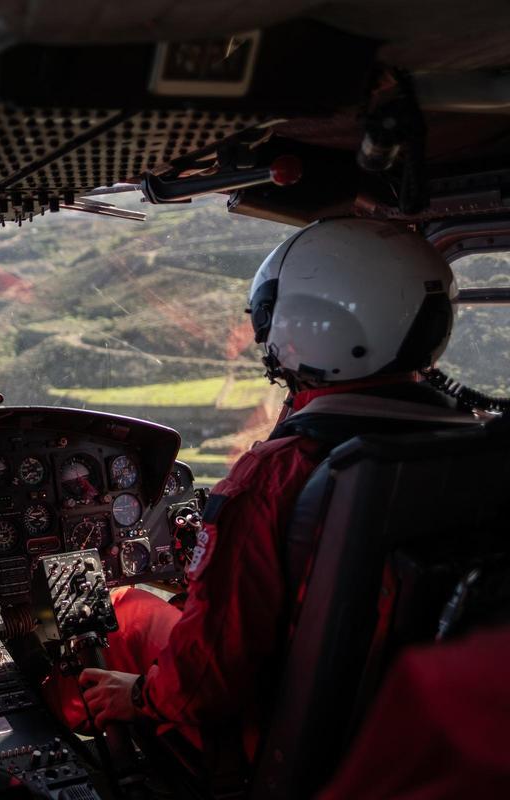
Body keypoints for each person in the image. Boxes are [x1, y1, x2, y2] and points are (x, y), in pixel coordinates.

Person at [46, 218, 482, 764]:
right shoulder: (476, 447)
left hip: (275, 738)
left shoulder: (277, 475)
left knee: (125, 608)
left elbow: (209, 675)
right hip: (407, 730)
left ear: (306, 325)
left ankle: (55, 759)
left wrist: (136, 695)